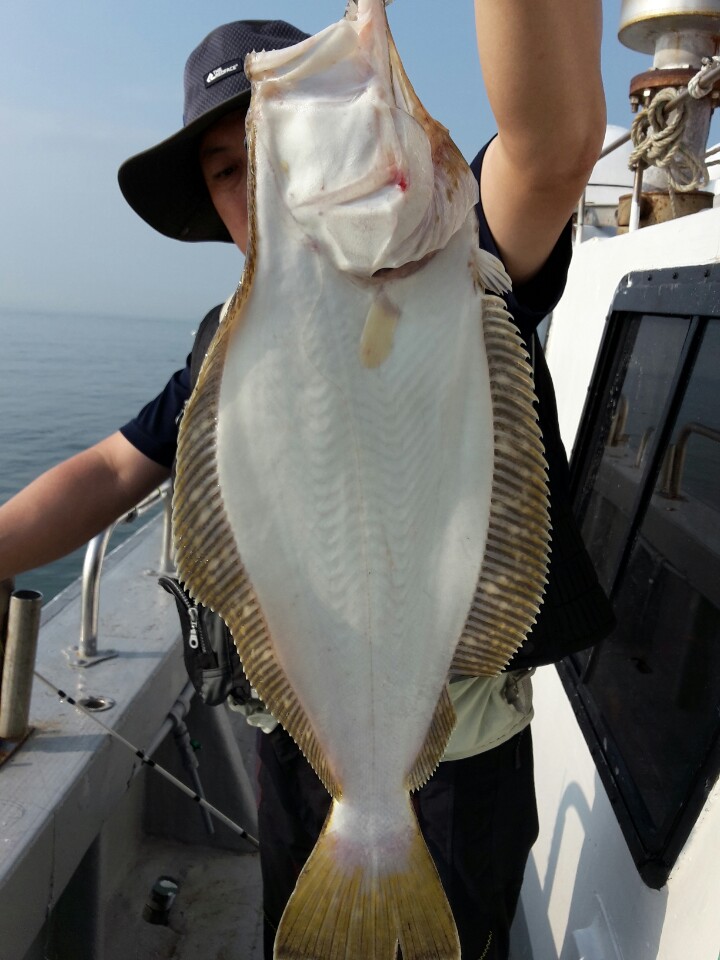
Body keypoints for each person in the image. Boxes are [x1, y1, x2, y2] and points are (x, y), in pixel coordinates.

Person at [0, 7, 610, 959]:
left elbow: (555, 150)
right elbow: (115, 466)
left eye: (269, 141)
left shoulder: (456, 259)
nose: (259, 178)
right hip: (296, 737)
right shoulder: (227, 354)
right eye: (228, 168)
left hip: (460, 753)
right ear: (215, 204)